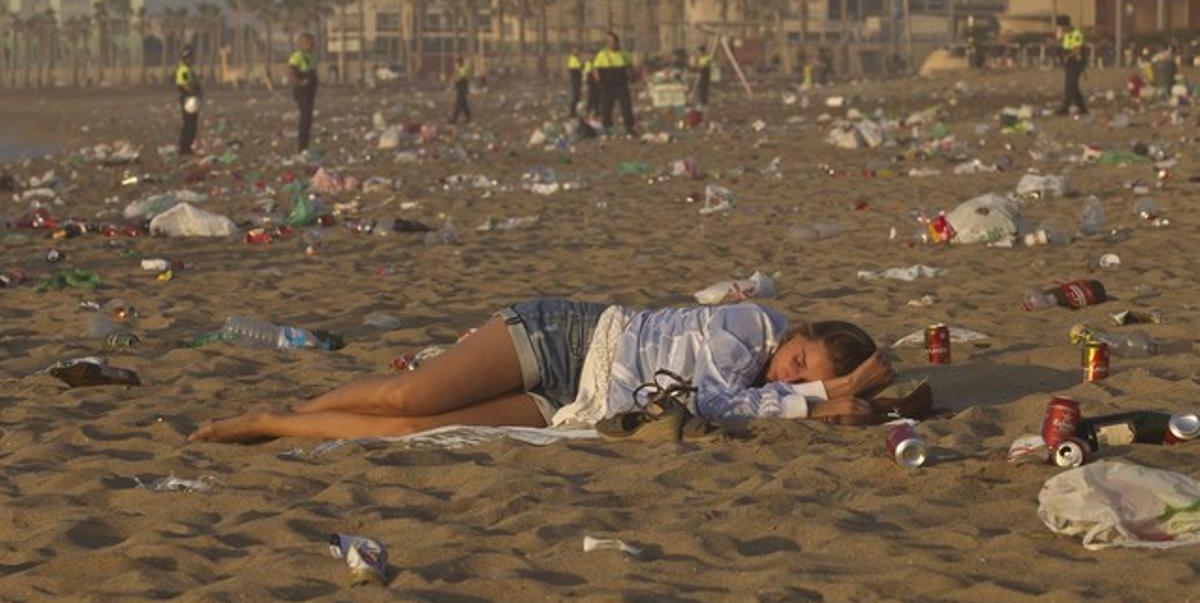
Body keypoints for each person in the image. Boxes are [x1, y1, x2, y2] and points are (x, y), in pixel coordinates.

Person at [189, 298, 895, 443]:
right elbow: (708, 399)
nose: (782, 375)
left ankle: (269, 423)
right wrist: (820, 397)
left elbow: (719, 406)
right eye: (796, 362)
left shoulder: (775, 390)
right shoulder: (753, 325)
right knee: (404, 387)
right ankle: (302, 404)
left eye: (796, 376)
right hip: (566, 340)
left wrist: (815, 399)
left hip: (573, 405)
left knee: (415, 427)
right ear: (795, 333)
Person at [592, 32, 636, 135]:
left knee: (626, 106)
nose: (612, 44)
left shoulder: (624, 54)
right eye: (609, 42)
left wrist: (631, 77)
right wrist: (599, 81)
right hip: (607, 84)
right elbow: (595, 69)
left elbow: (629, 67)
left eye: (614, 42)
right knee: (606, 107)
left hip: (621, 83)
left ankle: (629, 127)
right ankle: (607, 128)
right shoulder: (602, 55)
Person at [289, 33, 319, 153]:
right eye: (307, 42)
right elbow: (291, 72)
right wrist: (300, 82)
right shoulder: (296, 56)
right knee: (305, 116)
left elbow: (312, 70)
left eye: (311, 42)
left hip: (310, 87)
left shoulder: (312, 56)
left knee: (308, 117)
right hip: (301, 89)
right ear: (301, 44)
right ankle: (302, 145)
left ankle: (305, 144)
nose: (310, 45)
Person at [1055, 15, 1088, 115]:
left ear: (1066, 25)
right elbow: (1062, 45)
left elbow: (1077, 49)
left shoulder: (1076, 33)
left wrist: (1068, 56)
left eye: (1061, 27)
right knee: (1073, 85)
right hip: (1069, 63)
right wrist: (1059, 37)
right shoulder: (1065, 34)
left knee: (1070, 85)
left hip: (1076, 62)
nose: (1060, 29)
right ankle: (1082, 107)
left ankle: (1065, 107)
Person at [174, 45, 201, 156]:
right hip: (188, 98)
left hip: (190, 98)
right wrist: (193, 92)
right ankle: (184, 148)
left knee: (191, 124)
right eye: (189, 57)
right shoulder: (184, 70)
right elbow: (184, 84)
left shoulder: (187, 69)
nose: (191, 59)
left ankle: (186, 147)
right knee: (189, 124)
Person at [448, 57, 472, 124]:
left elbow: (460, 79)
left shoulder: (462, 69)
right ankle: (468, 117)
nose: (455, 64)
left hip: (462, 88)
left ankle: (454, 119)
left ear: (459, 63)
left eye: (456, 63)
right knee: (464, 104)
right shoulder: (460, 69)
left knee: (458, 104)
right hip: (461, 88)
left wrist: (455, 78)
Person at [566, 47, 583, 117]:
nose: (577, 51)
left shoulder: (576, 58)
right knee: (575, 96)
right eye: (575, 49)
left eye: (578, 49)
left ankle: (575, 111)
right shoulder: (572, 59)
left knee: (577, 96)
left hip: (577, 79)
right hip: (575, 79)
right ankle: (572, 112)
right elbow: (576, 68)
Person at [583, 52, 599, 117]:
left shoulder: (597, 62)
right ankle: (588, 112)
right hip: (591, 83)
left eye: (594, 55)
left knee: (597, 97)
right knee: (591, 97)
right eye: (591, 55)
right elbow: (588, 71)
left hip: (597, 83)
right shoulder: (588, 63)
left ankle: (597, 112)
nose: (593, 56)